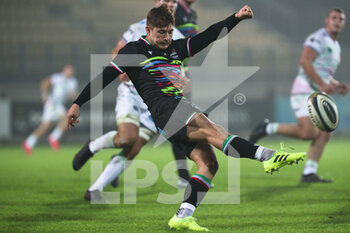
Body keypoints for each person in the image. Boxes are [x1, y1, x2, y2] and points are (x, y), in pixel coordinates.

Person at [67, 5, 305, 231]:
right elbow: (104, 77)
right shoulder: (133, 51)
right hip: (166, 109)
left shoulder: (175, 48)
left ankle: (183, 216)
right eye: (161, 33)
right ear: (148, 30)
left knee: (208, 164)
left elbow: (209, 35)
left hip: (169, 116)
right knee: (212, 127)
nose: (167, 37)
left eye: (170, 32)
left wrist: (236, 18)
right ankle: (267, 156)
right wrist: (78, 103)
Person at [73, 0, 190, 201]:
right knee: (127, 138)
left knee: (133, 148)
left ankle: (94, 190)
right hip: (131, 94)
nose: (170, 3)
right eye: (165, 0)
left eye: (174, 1)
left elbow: (178, 69)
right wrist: (121, 70)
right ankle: (93, 146)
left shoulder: (178, 36)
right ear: (156, 2)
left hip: (155, 103)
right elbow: (117, 51)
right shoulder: (137, 28)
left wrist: (183, 80)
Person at [248, 8, 349, 183]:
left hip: (316, 90)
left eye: (340, 19)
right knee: (309, 133)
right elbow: (305, 60)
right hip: (304, 90)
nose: (337, 21)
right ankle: (267, 128)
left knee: (325, 133)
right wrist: (323, 83)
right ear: (327, 20)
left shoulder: (335, 45)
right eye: (334, 18)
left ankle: (309, 172)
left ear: (344, 23)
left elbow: (323, 72)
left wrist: (335, 85)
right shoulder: (319, 38)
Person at [22, 64, 78, 155]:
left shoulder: (73, 81)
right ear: (64, 70)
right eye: (68, 70)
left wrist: (74, 96)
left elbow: (72, 94)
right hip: (52, 104)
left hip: (59, 104)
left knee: (44, 127)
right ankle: (53, 138)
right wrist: (44, 95)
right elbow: (45, 83)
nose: (69, 72)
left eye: (71, 70)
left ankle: (28, 143)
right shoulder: (58, 77)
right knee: (67, 118)